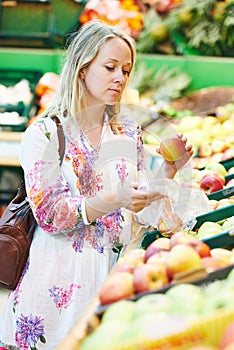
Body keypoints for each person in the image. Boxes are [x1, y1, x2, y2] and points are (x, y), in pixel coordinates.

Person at [0, 20, 193, 349]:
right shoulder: (45, 134)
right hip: (52, 298)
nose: (120, 77)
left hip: (107, 290)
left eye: (127, 70)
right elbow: (53, 215)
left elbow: (139, 211)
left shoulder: (126, 133)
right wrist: (115, 197)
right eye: (110, 67)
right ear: (81, 68)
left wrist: (168, 170)